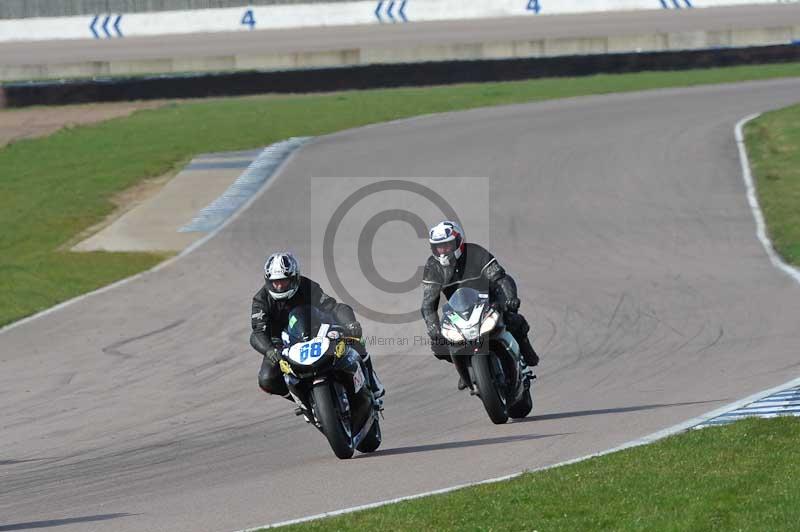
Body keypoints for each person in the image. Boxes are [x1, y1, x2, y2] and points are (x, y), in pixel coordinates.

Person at [250, 252, 384, 401]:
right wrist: (269, 350)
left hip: (316, 331)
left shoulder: (306, 285)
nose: (279, 286)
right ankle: (302, 399)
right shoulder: (261, 300)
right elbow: (258, 331)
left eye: (284, 281)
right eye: (275, 282)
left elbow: (333, 307)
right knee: (266, 379)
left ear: (294, 278)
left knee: (353, 338)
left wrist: (350, 323)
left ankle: (371, 379)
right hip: (281, 343)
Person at [420, 221, 540, 373]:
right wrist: (433, 328)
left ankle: (525, 353)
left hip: (490, 301)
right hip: (459, 310)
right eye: (438, 247)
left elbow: (500, 278)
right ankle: (468, 367)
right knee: (439, 346)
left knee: (513, 320)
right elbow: (428, 304)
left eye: (447, 245)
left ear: (458, 242)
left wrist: (511, 299)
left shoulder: (475, 253)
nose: (443, 251)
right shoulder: (433, 267)